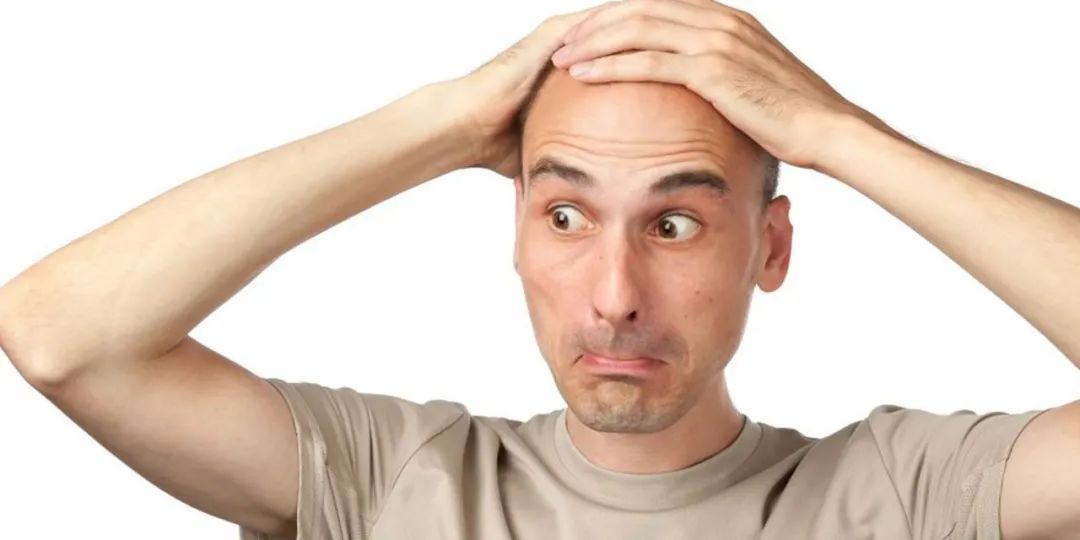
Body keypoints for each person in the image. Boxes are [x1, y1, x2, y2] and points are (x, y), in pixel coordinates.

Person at [1, 1, 1078, 539]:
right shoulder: (393, 480)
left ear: (772, 248)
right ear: (515, 235)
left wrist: (843, 135)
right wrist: (444, 122)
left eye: (674, 225)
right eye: (566, 215)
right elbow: (58, 336)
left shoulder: (910, 494)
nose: (614, 297)